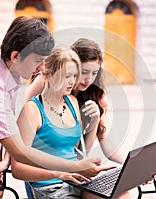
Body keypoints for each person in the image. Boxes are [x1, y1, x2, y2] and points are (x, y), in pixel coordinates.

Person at [0, 17, 104, 199]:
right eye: (38, 60)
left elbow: (1, 129)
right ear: (15, 56)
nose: (42, 67)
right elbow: (18, 150)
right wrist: (74, 167)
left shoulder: (8, 74)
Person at [24, 38, 132, 198]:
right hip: (47, 177)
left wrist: (131, 168)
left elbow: (83, 150)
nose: (88, 79)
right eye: (83, 72)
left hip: (74, 174)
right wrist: (6, 160)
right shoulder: (45, 82)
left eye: (94, 73)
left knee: (122, 194)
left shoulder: (81, 98)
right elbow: (21, 124)